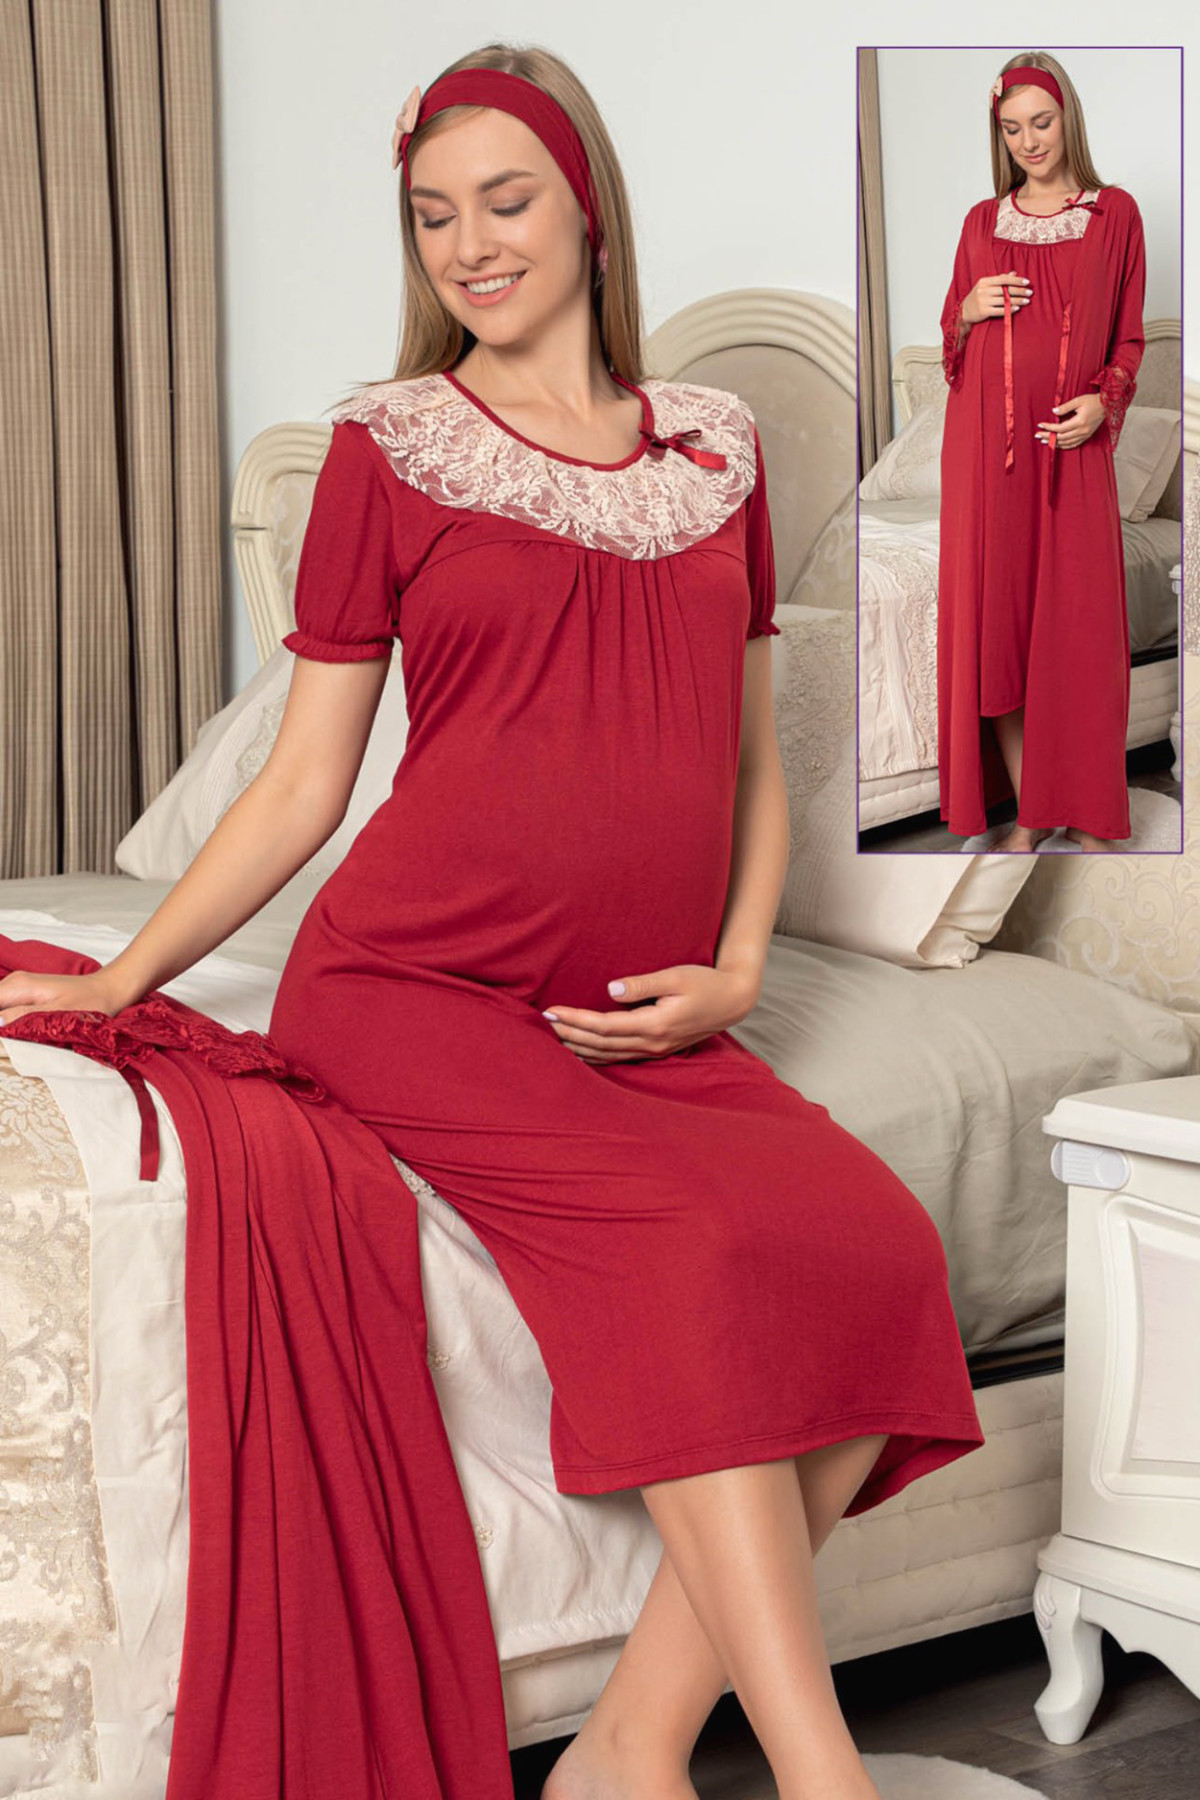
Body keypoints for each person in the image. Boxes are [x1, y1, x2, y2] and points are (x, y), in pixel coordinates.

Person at [0, 44, 984, 1800]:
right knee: (695, 1262)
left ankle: (626, 1748)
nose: (470, 245)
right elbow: (304, 786)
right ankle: (822, 1777)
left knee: (882, 1257)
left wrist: (740, 969)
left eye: (506, 201)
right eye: (433, 215)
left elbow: (751, 757)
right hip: (413, 985)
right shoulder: (388, 448)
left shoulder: (720, 445)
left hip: (643, 1012)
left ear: (587, 207)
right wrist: (127, 977)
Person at [938, 51, 1147, 853]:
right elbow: (953, 353)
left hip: (1071, 454)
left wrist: (1104, 401)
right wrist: (967, 310)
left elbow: (1128, 336)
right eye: (1011, 128)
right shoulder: (979, 222)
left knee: (1079, 634)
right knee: (1004, 628)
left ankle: (1090, 815)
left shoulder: (1114, 215)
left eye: (1042, 122)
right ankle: (1030, 815)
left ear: (1068, 120)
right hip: (987, 464)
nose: (1029, 141)